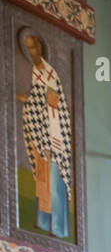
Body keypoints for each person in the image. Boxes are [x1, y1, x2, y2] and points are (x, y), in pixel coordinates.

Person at [17, 31, 73, 239]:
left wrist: (51, 142)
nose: (32, 52)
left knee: (54, 183)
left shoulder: (50, 74)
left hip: (53, 134)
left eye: (34, 47)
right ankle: (42, 222)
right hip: (41, 134)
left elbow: (52, 106)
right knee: (42, 181)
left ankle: (58, 229)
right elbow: (38, 99)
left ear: (41, 47)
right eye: (28, 48)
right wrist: (28, 100)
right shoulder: (35, 71)